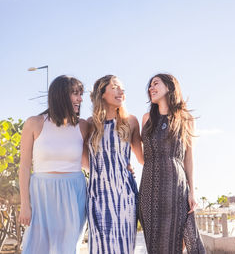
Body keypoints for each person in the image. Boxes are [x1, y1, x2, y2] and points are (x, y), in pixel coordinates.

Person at [19, 75, 88, 254]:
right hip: (41, 192)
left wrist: (123, 165)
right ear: (60, 95)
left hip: (74, 193)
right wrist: (25, 204)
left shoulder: (83, 126)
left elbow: (90, 162)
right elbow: (25, 166)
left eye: (81, 94)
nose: (80, 99)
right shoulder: (34, 123)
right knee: (35, 247)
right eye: (75, 93)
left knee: (67, 248)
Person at [139, 73, 205, 253]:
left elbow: (189, 158)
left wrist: (192, 191)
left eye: (155, 84)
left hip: (175, 187)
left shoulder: (186, 119)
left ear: (169, 86)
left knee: (178, 241)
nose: (151, 88)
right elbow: (141, 153)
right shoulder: (146, 119)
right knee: (155, 244)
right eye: (149, 86)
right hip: (149, 188)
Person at [86, 75, 143, 253]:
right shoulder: (90, 124)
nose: (121, 90)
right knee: (100, 248)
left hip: (124, 194)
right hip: (97, 195)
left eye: (122, 88)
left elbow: (142, 159)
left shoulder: (130, 121)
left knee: (124, 247)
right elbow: (82, 159)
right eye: (115, 87)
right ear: (102, 93)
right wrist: (104, 169)